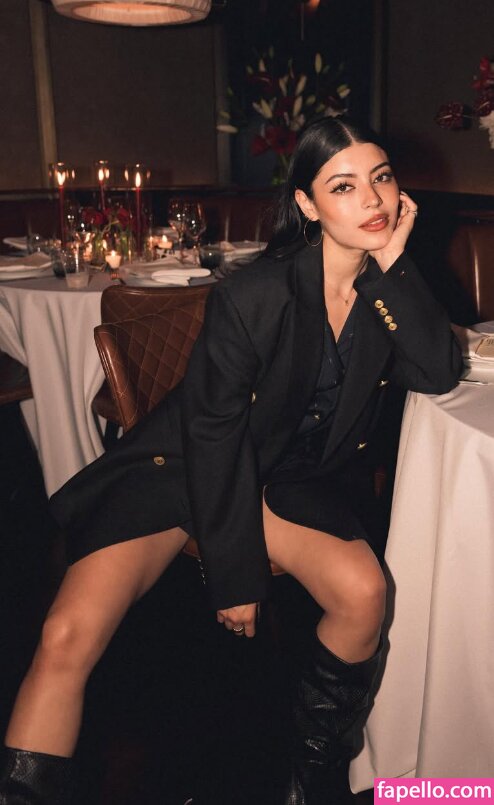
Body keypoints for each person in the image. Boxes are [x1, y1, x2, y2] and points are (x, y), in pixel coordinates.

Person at [0, 117, 462, 805]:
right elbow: (212, 437)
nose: (372, 200)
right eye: (343, 186)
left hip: (281, 478)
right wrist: (233, 568)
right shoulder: (256, 294)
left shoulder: (383, 287)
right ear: (307, 204)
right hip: (181, 464)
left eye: (382, 178)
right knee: (65, 634)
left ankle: (308, 783)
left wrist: (395, 264)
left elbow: (438, 369)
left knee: (364, 594)